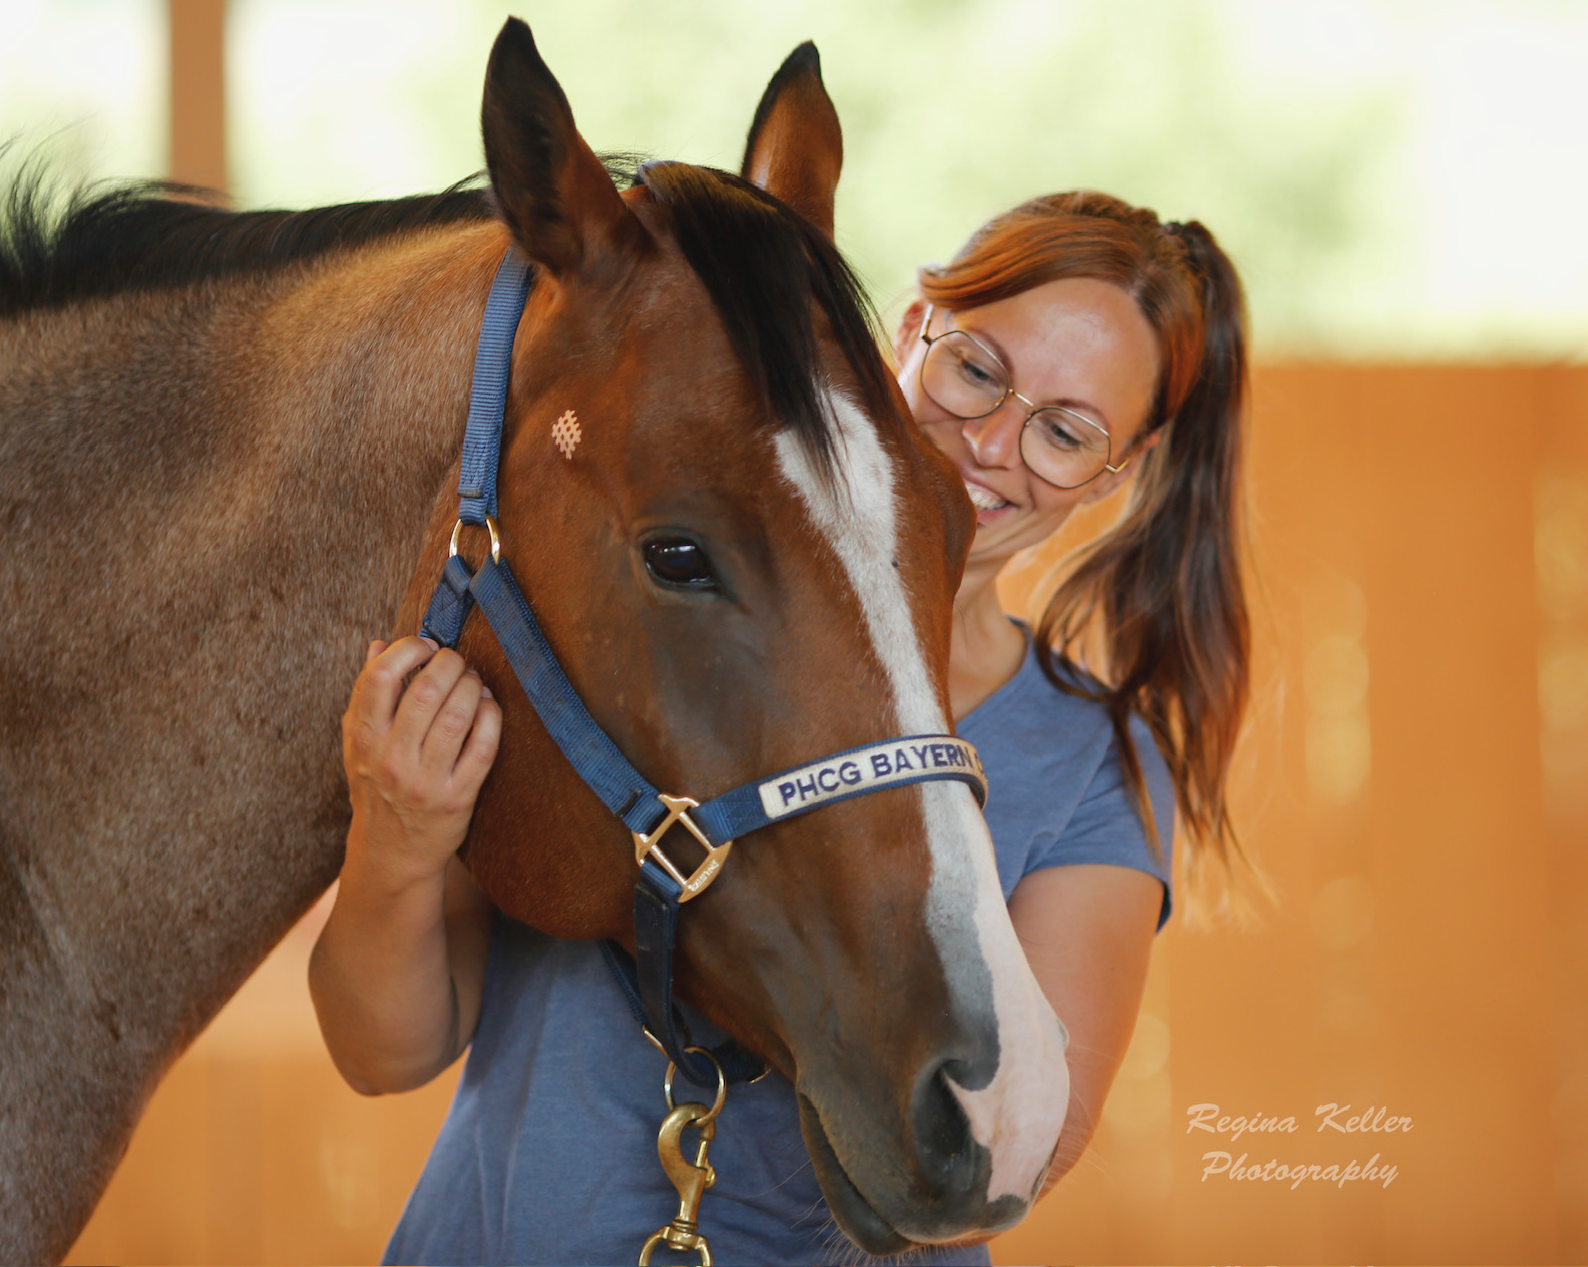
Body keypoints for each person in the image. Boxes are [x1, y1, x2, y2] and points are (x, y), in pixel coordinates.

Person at [309, 189, 1252, 1265]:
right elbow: (383, 1055)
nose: (993, 443)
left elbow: (1017, 1146)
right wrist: (396, 841)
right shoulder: (649, 615)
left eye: (1068, 432)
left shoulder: (1093, 759)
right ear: (909, 334)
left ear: (1116, 475)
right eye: (978, 370)